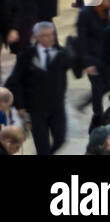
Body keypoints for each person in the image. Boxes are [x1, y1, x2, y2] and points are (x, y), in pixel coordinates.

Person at [5, 20, 71, 154]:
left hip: (57, 107)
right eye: (46, 35)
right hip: (36, 109)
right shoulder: (26, 56)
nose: (50, 38)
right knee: (42, 146)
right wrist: (20, 105)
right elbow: (14, 82)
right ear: (37, 37)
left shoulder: (61, 53)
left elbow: (73, 65)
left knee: (60, 139)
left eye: (52, 34)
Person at [74, 0, 110, 127]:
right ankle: (98, 117)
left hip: (104, 57)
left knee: (105, 86)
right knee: (97, 87)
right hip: (92, 58)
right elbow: (82, 39)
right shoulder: (86, 13)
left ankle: (88, 106)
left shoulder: (105, 10)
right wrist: (87, 62)